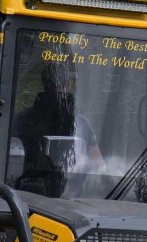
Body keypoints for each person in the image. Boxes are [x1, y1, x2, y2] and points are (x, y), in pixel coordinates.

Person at [12, 61, 105, 194]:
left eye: (61, 83)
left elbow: (99, 166)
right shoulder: (23, 121)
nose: (58, 88)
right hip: (29, 194)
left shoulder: (20, 119)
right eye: (55, 84)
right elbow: (100, 166)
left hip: (71, 196)